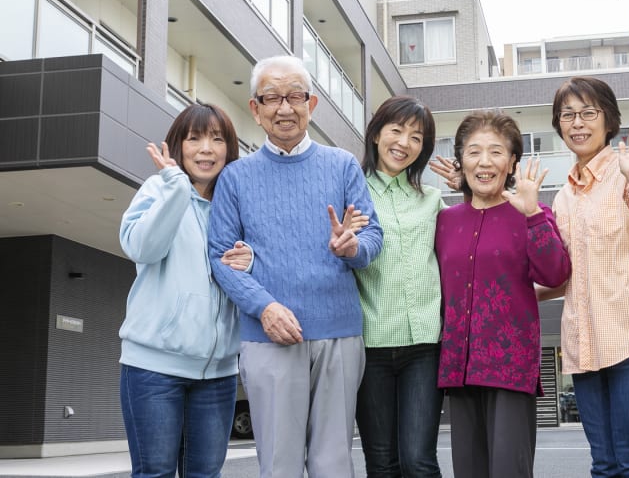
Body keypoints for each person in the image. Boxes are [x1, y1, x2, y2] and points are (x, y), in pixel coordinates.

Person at [207, 55, 384, 478]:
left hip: (339, 331)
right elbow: (220, 257)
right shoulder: (235, 177)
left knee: (334, 461)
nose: (284, 108)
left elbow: (373, 236)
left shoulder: (342, 165)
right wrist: (265, 308)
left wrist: (352, 247)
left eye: (294, 97)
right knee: (279, 463)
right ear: (256, 108)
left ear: (312, 104)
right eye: (271, 98)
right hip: (267, 335)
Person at [544, 76, 629, 478]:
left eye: (589, 112)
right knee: (604, 466)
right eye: (567, 114)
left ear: (608, 120)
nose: (577, 122)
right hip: (585, 346)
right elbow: (566, 274)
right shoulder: (562, 196)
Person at [435, 110, 571, 478]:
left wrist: (532, 213)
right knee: (468, 470)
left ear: (512, 162)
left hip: (510, 365)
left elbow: (556, 273)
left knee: (510, 469)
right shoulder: (445, 220)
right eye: (473, 151)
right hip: (458, 366)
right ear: (461, 159)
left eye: (496, 152)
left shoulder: (532, 213)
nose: (484, 161)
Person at [118, 103, 252, 478]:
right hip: (152, 367)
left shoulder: (236, 204)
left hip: (219, 373)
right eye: (194, 138)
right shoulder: (157, 189)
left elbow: (254, 269)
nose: (206, 149)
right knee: (154, 473)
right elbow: (143, 248)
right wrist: (175, 189)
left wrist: (251, 257)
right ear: (178, 145)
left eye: (217, 139)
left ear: (229, 149)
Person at [354, 96, 445, 477]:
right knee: (382, 463)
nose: (404, 143)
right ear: (376, 134)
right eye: (396, 130)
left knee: (419, 461)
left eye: (416, 137)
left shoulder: (433, 200)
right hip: (369, 344)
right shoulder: (352, 192)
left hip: (423, 346)